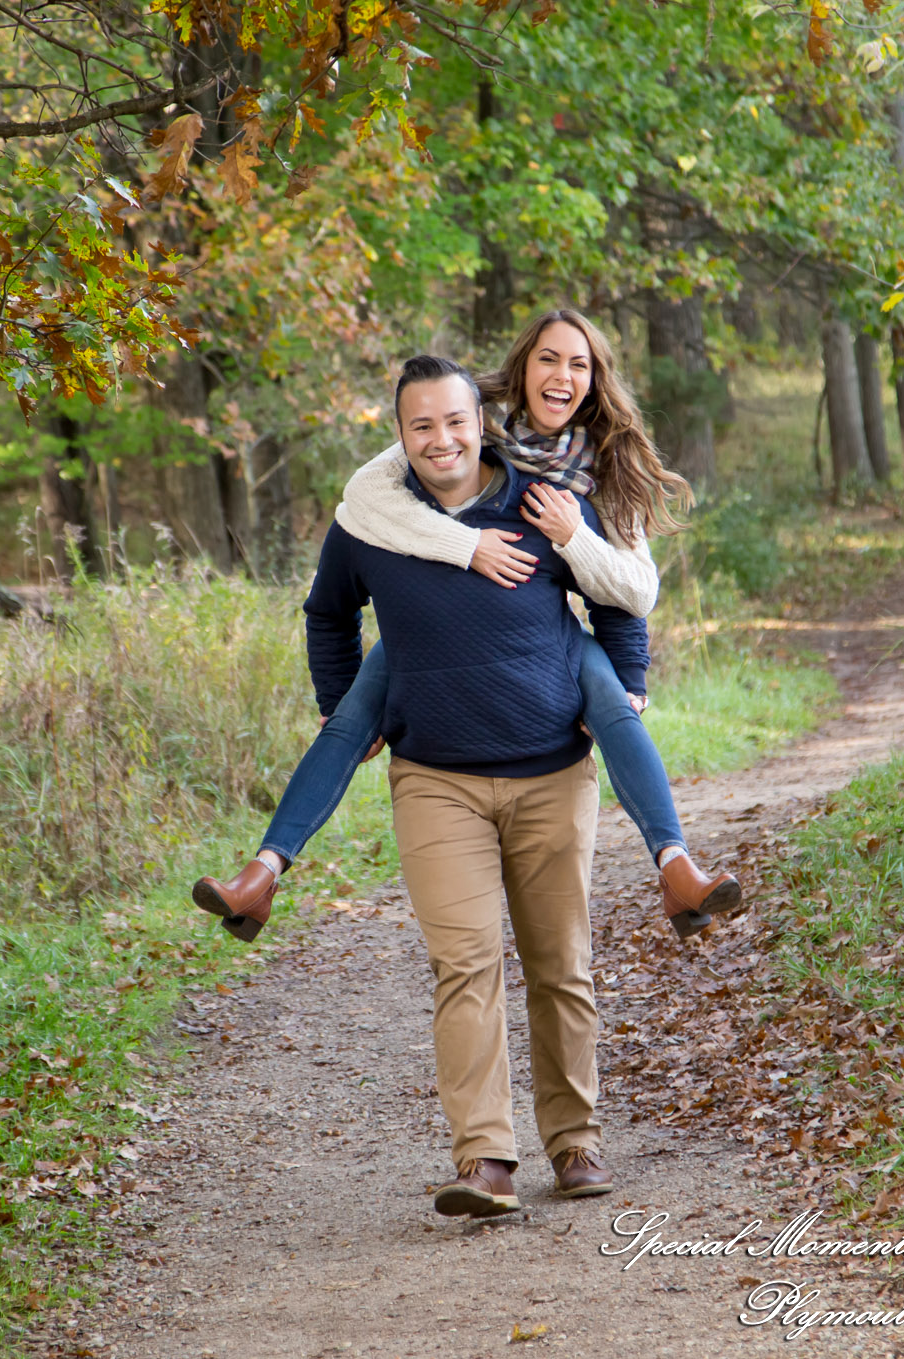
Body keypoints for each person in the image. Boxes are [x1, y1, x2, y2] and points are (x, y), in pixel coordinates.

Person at [192, 310, 741, 944]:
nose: (562, 375)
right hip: (425, 644)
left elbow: (625, 594)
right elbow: (363, 497)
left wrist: (625, 663)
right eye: (547, 359)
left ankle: (677, 868)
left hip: (553, 638)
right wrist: (466, 545)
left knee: (616, 708)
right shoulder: (461, 421)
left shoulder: (602, 468)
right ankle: (259, 877)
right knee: (344, 720)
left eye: (578, 364)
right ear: (520, 370)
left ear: (594, 380)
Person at [279, 354, 642, 1212]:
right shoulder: (373, 521)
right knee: (465, 965)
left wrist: (623, 690)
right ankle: (486, 1160)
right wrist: (344, 705)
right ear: (400, 438)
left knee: (561, 965)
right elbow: (328, 612)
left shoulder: (539, 499)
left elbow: (616, 599)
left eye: (454, 421)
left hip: (553, 774)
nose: (440, 439)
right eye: (421, 426)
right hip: (436, 780)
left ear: (481, 422)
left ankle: (576, 1141)